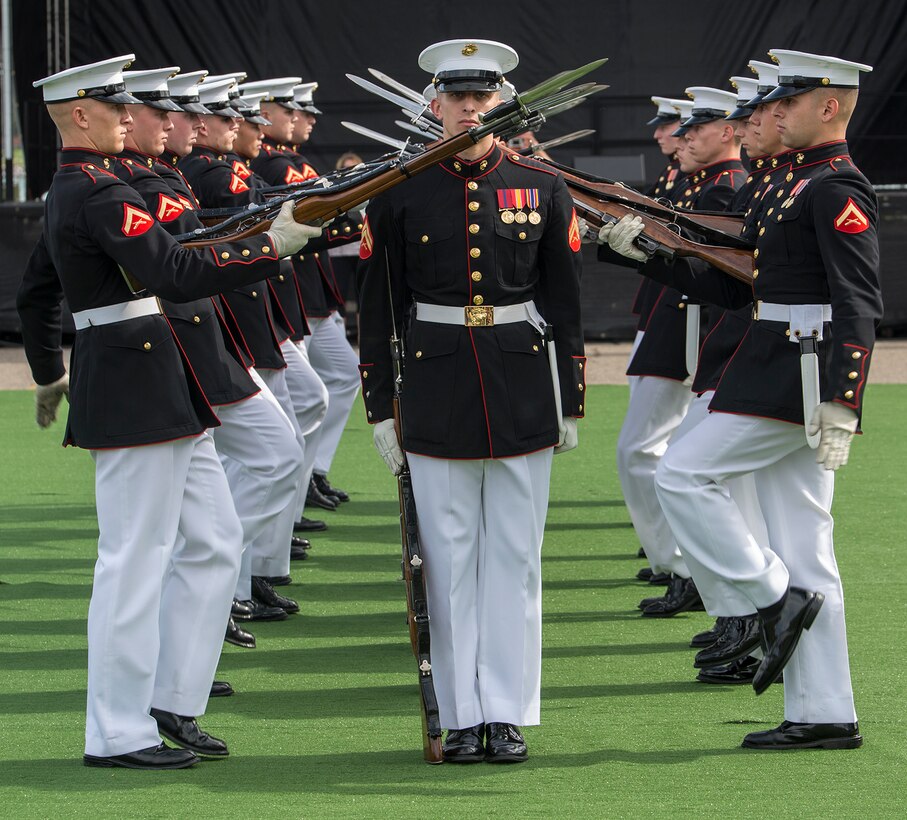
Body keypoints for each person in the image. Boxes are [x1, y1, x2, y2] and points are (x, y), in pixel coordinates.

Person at [19, 54, 318, 769]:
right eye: (117, 108)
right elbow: (175, 271)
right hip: (133, 384)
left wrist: (47, 374)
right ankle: (117, 731)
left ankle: (170, 700)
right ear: (81, 117)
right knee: (132, 560)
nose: (134, 117)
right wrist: (269, 246)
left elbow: (39, 288)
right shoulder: (93, 190)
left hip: (161, 381)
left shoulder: (97, 185)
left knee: (213, 543)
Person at [606, 50, 880, 750]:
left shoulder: (833, 187)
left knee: (682, 472)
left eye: (784, 103)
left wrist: (844, 399)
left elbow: (856, 301)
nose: (768, 114)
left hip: (798, 367)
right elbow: (737, 287)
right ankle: (822, 712)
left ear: (827, 107)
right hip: (773, 358)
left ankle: (767, 596)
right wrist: (645, 254)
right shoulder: (784, 184)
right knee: (806, 547)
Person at [357, 38, 584, 764]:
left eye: (481, 96)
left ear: (502, 103)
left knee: (515, 557)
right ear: (433, 105)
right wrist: (379, 407)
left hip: (519, 381)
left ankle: (506, 712)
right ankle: (460, 715)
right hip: (433, 380)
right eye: (456, 96)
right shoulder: (397, 190)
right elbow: (378, 306)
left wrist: (569, 398)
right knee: (448, 559)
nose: (468, 108)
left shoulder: (540, 184)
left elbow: (564, 300)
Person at [602, 87, 746, 616]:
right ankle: (679, 563)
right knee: (650, 453)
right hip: (669, 320)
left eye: (693, 130)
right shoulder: (704, 181)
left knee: (647, 453)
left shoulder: (729, 186)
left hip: (689, 328)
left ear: (726, 130)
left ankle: (684, 565)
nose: (680, 139)